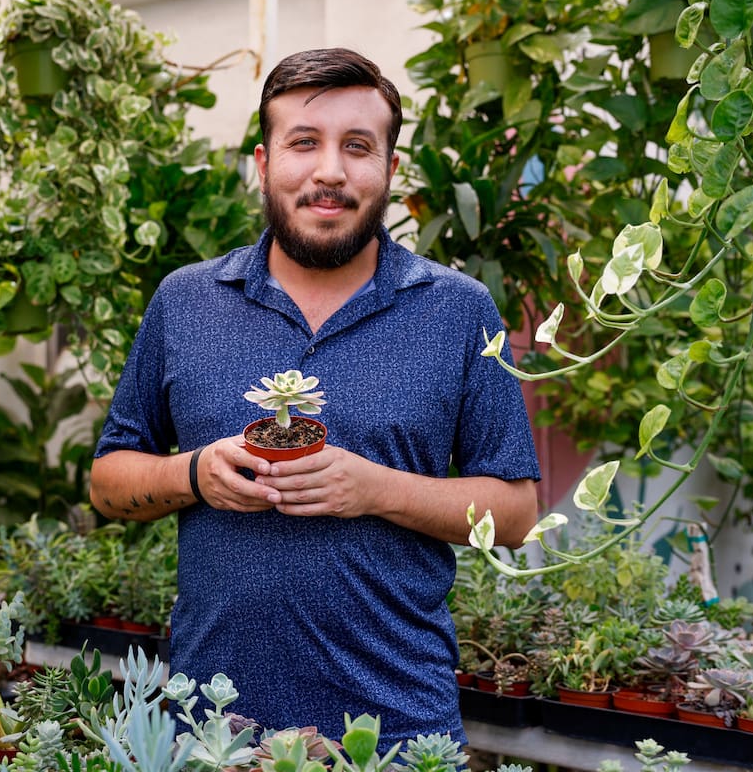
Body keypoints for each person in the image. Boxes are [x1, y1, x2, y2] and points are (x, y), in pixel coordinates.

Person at [89, 47, 541, 748]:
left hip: (397, 735)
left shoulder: (458, 309)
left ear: (390, 170)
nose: (330, 170)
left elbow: (515, 512)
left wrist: (375, 488)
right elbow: (108, 483)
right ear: (264, 163)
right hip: (213, 730)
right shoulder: (186, 302)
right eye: (304, 142)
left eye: (357, 146)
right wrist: (195, 474)